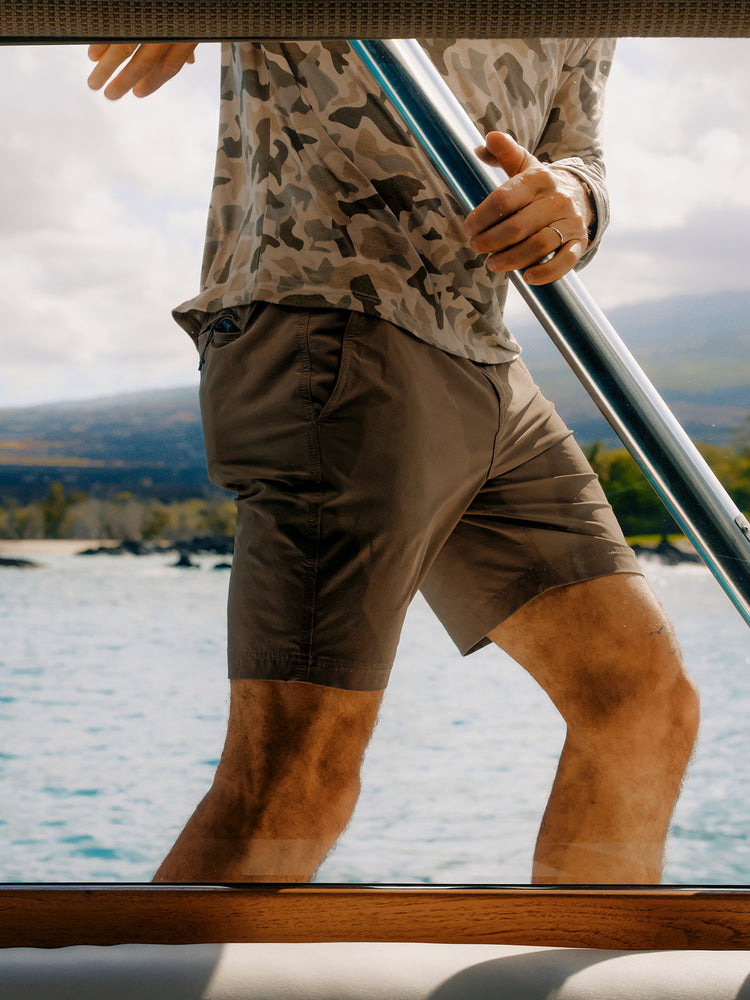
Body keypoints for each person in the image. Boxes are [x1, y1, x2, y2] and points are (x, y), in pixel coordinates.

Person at [87, 37, 699, 885]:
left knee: (640, 702)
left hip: (484, 351)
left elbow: (577, 147)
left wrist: (575, 200)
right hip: (334, 312)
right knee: (293, 779)